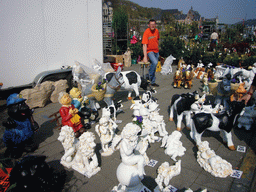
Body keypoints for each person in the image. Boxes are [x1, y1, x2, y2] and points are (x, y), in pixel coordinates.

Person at [142, 19, 160, 87]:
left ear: (155, 25)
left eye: (154, 24)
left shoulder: (157, 31)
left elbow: (157, 39)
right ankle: (148, 75)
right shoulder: (146, 32)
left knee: (154, 66)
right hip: (150, 51)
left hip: (156, 51)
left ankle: (152, 82)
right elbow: (144, 45)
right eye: (151, 24)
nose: (152, 26)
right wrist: (145, 57)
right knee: (155, 62)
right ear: (148, 25)